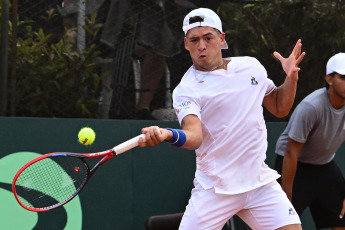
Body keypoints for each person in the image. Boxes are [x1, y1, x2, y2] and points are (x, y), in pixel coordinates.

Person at [138, 8, 305, 230]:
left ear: (222, 39)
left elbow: (278, 106)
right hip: (215, 190)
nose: (201, 46)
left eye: (208, 38)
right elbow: (194, 137)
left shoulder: (250, 67)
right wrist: (169, 134)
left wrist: (291, 78)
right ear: (186, 44)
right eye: (194, 40)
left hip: (259, 184)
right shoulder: (186, 90)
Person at [274, 52, 345, 230]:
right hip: (294, 165)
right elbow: (291, 152)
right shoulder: (312, 106)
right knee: (284, 223)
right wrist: (286, 200)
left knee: (342, 218)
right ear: (329, 79)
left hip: (324, 166)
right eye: (344, 77)